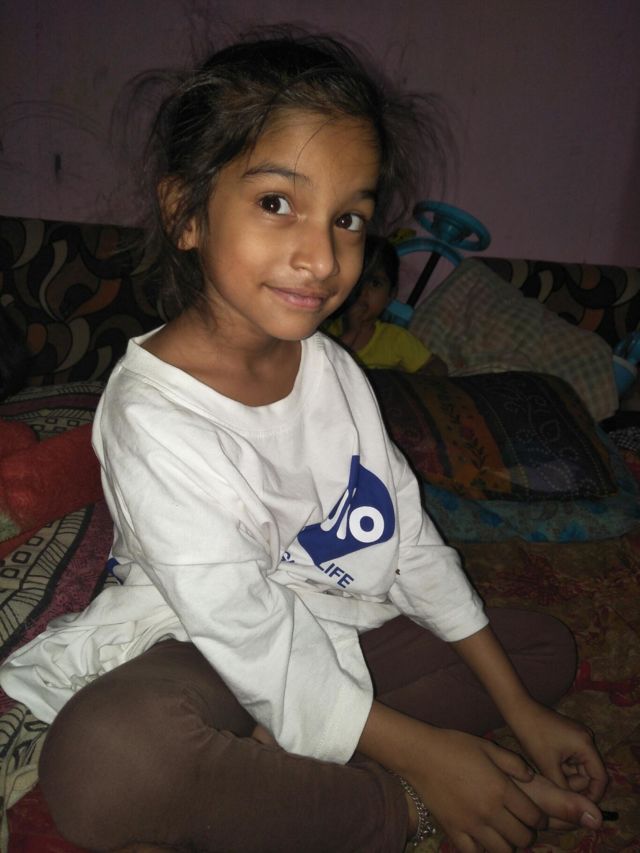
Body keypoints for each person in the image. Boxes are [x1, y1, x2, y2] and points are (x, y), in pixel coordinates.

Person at [0, 30, 607, 853]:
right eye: (277, 203)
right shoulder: (149, 415)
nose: (321, 257)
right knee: (106, 761)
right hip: (206, 648)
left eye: (348, 218)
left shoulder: (334, 370)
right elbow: (250, 634)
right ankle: (397, 803)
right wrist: (429, 763)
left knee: (539, 649)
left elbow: (406, 538)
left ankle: (284, 769)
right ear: (185, 213)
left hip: (343, 623)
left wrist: (519, 710)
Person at [325, 234, 442, 373]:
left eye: (375, 283)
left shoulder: (395, 338)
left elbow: (437, 365)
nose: (363, 292)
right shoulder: (326, 329)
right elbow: (323, 366)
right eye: (357, 281)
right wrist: (352, 332)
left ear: (390, 295)